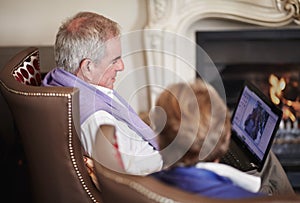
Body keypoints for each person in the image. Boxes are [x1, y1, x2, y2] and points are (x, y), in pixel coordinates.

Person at [42, 11, 162, 175]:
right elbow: (134, 166)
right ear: (88, 67)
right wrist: (184, 155)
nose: (121, 66)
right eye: (114, 60)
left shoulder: (58, 79)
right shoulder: (95, 117)